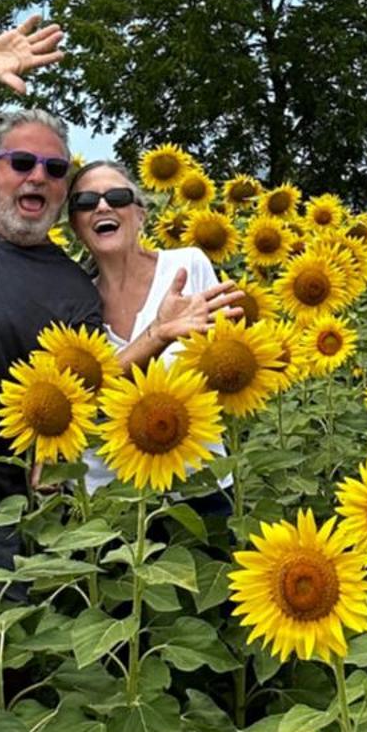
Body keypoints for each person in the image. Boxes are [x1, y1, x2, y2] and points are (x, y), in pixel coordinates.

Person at [0, 19, 230, 553]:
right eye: (21, 162)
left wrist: (152, 337)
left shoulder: (71, 290)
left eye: (56, 168)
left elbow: (86, 393)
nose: (39, 176)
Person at [67, 158, 241, 508]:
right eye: (85, 202)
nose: (102, 205)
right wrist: (158, 334)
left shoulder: (187, 267)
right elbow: (76, 401)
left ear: (141, 214)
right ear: (75, 225)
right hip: (108, 501)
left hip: (196, 484)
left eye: (116, 197)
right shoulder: (70, 297)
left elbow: (223, 370)